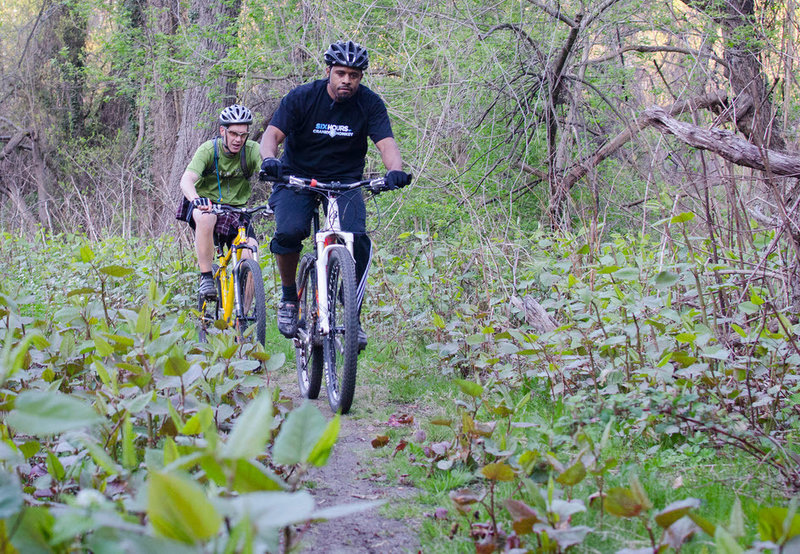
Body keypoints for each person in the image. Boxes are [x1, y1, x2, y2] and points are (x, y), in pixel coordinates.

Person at [259, 40, 411, 350]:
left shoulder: (369, 103)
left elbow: (386, 144)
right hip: (296, 178)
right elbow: (271, 136)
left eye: (354, 75)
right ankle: (290, 297)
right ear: (328, 71)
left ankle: (351, 313)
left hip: (345, 182)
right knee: (290, 231)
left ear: (360, 78)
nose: (346, 81)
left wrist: (394, 170)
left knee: (358, 239)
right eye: (340, 73)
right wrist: (270, 160)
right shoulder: (303, 97)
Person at [177, 104, 262, 298]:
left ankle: (244, 320)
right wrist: (196, 199)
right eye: (233, 133)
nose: (238, 139)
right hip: (207, 206)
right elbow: (186, 179)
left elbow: (268, 168)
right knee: (206, 216)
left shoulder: (251, 150)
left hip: (237, 212)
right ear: (222, 131)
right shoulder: (209, 150)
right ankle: (206, 277)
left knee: (251, 253)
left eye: (243, 134)